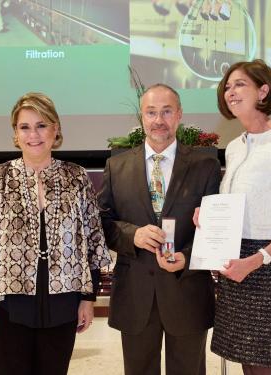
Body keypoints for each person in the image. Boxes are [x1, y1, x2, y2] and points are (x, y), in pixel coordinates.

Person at [0, 92, 111, 375]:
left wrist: (88, 298)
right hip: (6, 309)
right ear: (15, 133)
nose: (33, 134)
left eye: (41, 125)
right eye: (25, 127)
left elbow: (94, 243)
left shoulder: (76, 178)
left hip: (63, 305)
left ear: (55, 129)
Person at [98, 84, 220, 375]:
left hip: (187, 290)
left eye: (166, 111)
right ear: (141, 118)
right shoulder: (117, 166)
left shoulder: (205, 166)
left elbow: (214, 229)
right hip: (135, 294)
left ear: (178, 115)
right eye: (151, 112)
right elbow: (100, 224)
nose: (158, 120)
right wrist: (133, 235)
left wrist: (187, 258)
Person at [206, 59, 271, 374]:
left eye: (240, 84)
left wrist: (255, 260)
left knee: (264, 363)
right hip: (234, 263)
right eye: (227, 86)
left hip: (266, 266)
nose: (230, 92)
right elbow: (238, 206)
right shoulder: (236, 147)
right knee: (246, 362)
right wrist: (208, 217)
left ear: (263, 91)